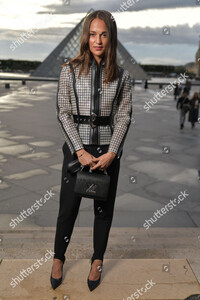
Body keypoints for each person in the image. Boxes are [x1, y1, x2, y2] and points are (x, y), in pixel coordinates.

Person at [50, 10, 132, 292]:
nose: (98, 40)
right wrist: (79, 151)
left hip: (108, 152)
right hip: (77, 152)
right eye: (93, 34)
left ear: (111, 37)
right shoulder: (68, 71)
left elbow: (124, 117)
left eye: (104, 34)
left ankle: (97, 261)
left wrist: (112, 152)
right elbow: (63, 113)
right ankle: (58, 259)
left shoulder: (122, 77)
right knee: (67, 210)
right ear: (86, 36)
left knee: (103, 211)